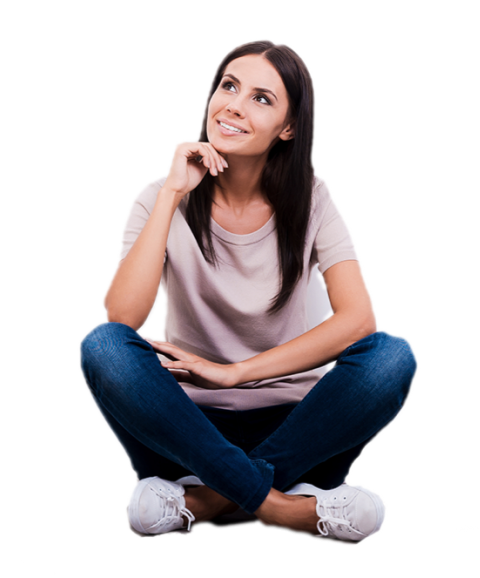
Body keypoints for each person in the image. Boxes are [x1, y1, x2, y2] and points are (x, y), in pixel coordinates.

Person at [77, 39, 419, 544]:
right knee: (101, 346)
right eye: (229, 86)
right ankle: (283, 505)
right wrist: (173, 194)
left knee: (391, 356)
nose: (234, 104)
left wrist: (234, 374)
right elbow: (122, 315)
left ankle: (210, 500)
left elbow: (358, 322)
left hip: (299, 428)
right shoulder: (159, 196)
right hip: (186, 429)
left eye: (262, 97)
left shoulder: (314, 198)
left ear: (288, 128)